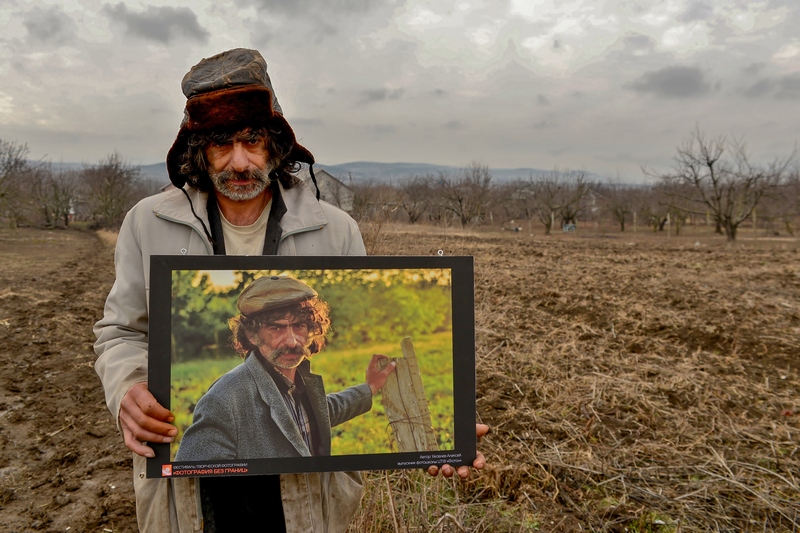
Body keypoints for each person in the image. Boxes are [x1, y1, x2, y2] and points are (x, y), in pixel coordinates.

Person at [94, 48, 486, 533]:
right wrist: (128, 388)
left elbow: (322, 410)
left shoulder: (335, 230)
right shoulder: (148, 224)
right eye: (221, 142)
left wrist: (435, 439)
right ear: (198, 149)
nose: (239, 162)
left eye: (253, 140)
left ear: (275, 142)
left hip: (305, 503)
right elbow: (121, 333)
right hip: (211, 508)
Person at [175, 275, 395, 462]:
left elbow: (322, 413)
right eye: (276, 328)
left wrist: (370, 387)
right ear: (251, 334)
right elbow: (193, 479)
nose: (291, 341)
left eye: (299, 325)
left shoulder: (300, 382)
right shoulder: (224, 399)